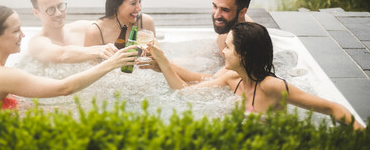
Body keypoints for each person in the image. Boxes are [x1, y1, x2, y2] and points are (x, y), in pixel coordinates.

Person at [148, 22, 364, 130]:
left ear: (244, 54)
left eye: (229, 47)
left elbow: (333, 108)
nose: (223, 51)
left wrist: (360, 137)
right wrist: (164, 61)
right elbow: (185, 92)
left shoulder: (273, 87)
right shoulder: (230, 79)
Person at [0, 6, 137, 109]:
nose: (22, 34)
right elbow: (64, 88)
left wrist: (99, 50)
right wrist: (111, 64)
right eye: (15, 31)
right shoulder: (2, 74)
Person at [139, 0, 253, 83]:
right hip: (218, 61)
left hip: (222, 73)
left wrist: (164, 65)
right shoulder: (233, 24)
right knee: (175, 60)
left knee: (169, 65)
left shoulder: (246, 42)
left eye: (225, 10)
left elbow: (215, 81)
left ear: (242, 12)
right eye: (215, 6)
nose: (217, 15)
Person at [28, 0, 117, 63]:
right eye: (51, 9)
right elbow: (61, 55)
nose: (58, 13)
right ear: (36, 13)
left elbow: (112, 26)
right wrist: (99, 50)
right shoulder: (37, 43)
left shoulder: (83, 28)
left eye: (60, 6)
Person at [84, 0, 156, 47]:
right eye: (133, 3)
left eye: (139, 2)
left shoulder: (145, 22)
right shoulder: (96, 32)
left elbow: (158, 56)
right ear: (116, 4)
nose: (139, 8)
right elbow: (90, 60)